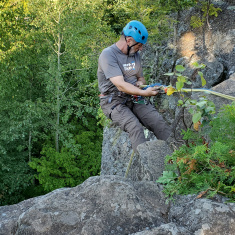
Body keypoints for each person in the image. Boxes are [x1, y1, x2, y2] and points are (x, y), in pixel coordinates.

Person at [97, 20, 171, 151]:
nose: (141, 49)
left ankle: (179, 157)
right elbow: (120, 85)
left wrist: (141, 84)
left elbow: (141, 78)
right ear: (129, 40)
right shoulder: (108, 55)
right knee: (135, 127)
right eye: (139, 45)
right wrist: (145, 93)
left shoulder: (135, 55)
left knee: (157, 121)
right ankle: (144, 167)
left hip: (134, 97)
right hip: (114, 101)